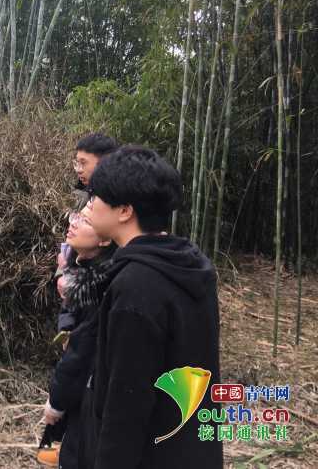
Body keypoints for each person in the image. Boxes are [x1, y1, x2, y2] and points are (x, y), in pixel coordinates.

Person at [72, 146, 222, 469]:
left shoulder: (135, 289)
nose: (89, 205)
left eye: (97, 197)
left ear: (124, 211)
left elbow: (125, 410)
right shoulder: (189, 266)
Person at [37, 207, 116, 467]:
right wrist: (67, 331)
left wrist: (56, 401)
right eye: (75, 217)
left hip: (91, 386)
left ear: (105, 238)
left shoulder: (103, 280)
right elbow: (69, 312)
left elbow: (82, 352)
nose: (73, 224)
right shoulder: (76, 263)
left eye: (85, 221)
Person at [56, 133, 118, 297]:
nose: (78, 169)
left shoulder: (115, 201)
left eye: (83, 163)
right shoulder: (82, 195)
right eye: (76, 163)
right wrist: (63, 272)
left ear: (104, 163)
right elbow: (72, 240)